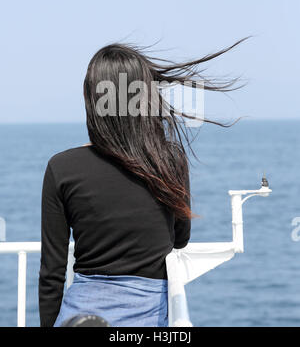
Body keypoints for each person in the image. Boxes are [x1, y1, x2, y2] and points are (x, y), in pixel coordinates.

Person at [39, 40, 245, 327]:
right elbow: (179, 239)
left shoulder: (61, 167)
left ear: (92, 100)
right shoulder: (169, 160)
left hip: (81, 308)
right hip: (146, 310)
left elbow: (52, 272)